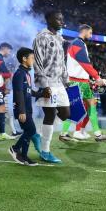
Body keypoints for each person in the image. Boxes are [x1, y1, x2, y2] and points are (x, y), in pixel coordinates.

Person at [60, 24, 106, 142]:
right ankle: (95, 134)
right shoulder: (78, 43)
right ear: (85, 31)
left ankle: (67, 133)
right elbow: (85, 64)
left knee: (84, 106)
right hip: (78, 82)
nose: (91, 35)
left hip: (78, 81)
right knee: (87, 106)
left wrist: (91, 80)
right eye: (90, 32)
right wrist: (97, 77)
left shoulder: (76, 43)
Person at [33, 10, 70, 164]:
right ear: (48, 19)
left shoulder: (60, 38)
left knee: (66, 113)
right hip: (48, 82)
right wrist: (44, 85)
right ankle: (45, 151)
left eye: (62, 19)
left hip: (59, 83)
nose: (61, 21)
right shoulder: (41, 37)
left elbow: (62, 62)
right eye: (57, 19)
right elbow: (37, 62)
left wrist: (66, 81)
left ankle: (38, 134)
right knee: (50, 115)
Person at [8, 47, 41, 166]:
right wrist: (21, 111)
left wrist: (42, 93)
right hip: (22, 109)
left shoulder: (26, 73)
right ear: (24, 59)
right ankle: (15, 148)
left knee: (29, 130)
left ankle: (25, 156)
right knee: (31, 130)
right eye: (31, 58)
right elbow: (18, 93)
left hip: (27, 109)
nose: (33, 60)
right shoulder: (19, 74)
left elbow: (29, 91)